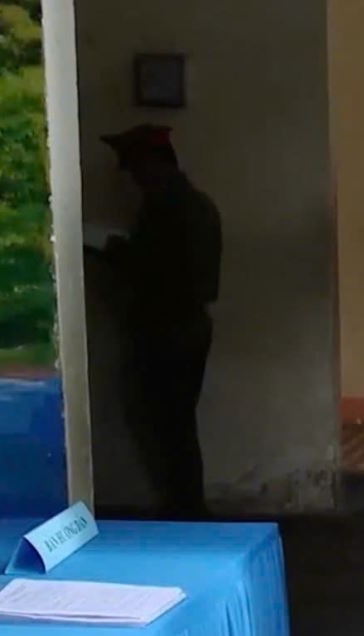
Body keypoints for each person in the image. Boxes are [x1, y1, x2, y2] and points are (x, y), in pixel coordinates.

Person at [100, 124, 222, 519]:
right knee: (176, 426)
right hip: (186, 327)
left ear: (155, 165)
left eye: (136, 168)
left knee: (167, 428)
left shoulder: (166, 210)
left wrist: (115, 253)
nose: (133, 179)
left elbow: (159, 273)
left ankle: (185, 510)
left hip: (167, 330)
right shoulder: (196, 204)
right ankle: (186, 509)